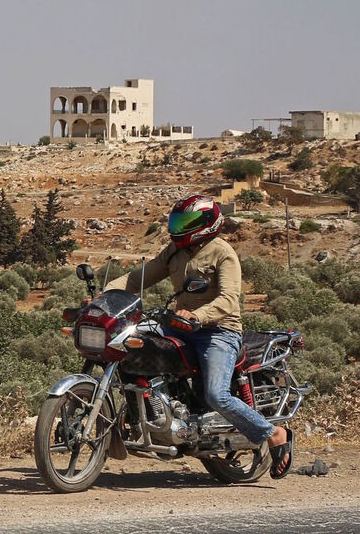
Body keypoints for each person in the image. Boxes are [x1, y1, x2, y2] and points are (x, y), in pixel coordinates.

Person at [106, 194, 293, 478]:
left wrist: (198, 315)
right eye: (177, 220)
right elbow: (137, 279)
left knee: (216, 394)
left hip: (218, 332)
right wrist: (105, 296)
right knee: (129, 347)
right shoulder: (174, 252)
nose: (178, 227)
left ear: (205, 223)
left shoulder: (223, 253)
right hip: (179, 327)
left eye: (186, 221)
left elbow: (230, 299)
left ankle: (274, 434)